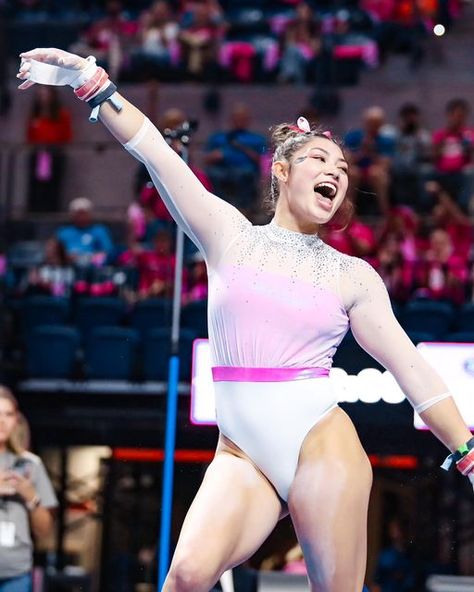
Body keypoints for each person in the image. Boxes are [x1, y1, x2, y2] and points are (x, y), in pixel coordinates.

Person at [17, 48, 474, 592]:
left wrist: (467, 452)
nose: (336, 173)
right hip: (241, 453)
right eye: (319, 161)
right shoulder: (230, 235)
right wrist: (93, 83)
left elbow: (410, 368)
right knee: (185, 577)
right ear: (281, 170)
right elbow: (160, 157)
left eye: (343, 169)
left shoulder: (355, 276)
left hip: (320, 446)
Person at [0, 386, 57, 592]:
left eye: (8, 414)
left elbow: (44, 532)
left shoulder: (31, 465)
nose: (2, 421)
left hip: (16, 573)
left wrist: (32, 497)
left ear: (17, 420)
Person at [26, 85, 73, 212]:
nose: (42, 97)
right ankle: (34, 210)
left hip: (54, 153)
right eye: (40, 94)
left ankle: (51, 209)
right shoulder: (35, 114)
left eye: (45, 94)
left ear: (52, 96)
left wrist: (52, 145)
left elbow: (66, 135)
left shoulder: (61, 114)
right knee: (36, 184)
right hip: (38, 153)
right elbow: (29, 135)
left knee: (53, 184)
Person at [344, 106, 396, 215]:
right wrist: (362, 152)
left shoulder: (386, 140)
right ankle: (348, 212)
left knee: (376, 174)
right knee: (352, 173)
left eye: (376, 123)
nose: (373, 126)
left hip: (375, 172)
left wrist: (371, 152)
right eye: (371, 123)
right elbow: (346, 160)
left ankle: (385, 213)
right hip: (357, 170)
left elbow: (385, 164)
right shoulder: (353, 137)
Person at [56, 197, 114, 266]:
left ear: (90, 214)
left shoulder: (99, 230)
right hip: (67, 267)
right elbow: (56, 252)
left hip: (93, 268)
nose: (81, 216)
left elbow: (108, 251)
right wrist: (66, 257)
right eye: (78, 213)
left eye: (83, 213)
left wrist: (89, 257)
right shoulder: (63, 232)